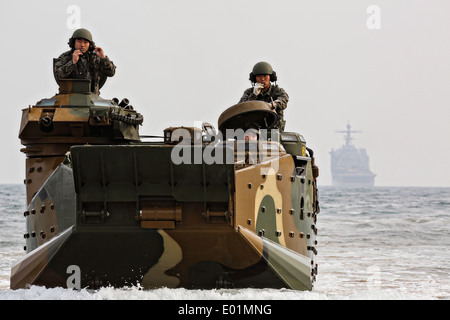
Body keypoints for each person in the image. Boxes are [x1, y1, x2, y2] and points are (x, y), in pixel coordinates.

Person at [54, 28, 116, 95]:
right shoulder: (65, 57)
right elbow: (58, 76)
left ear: (90, 45)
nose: (82, 45)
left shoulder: (95, 58)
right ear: (73, 42)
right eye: (79, 41)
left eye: (85, 42)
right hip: (68, 98)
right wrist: (73, 62)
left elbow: (111, 72)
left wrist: (103, 58)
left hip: (92, 99)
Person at [239, 61, 289, 131]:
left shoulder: (278, 91)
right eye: (259, 76)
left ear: (270, 77)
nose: (262, 79)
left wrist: (273, 105)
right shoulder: (249, 92)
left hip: (274, 129)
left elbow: (284, 100)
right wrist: (254, 95)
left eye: (265, 76)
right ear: (254, 78)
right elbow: (240, 107)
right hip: (253, 131)